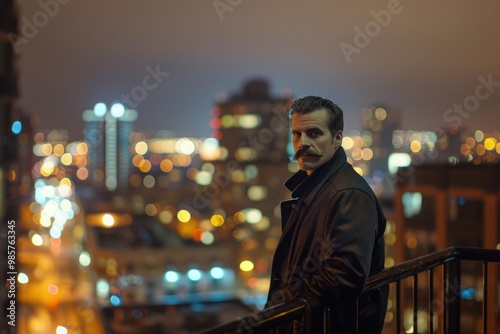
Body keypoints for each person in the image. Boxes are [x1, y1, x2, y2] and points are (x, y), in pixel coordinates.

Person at [266, 96, 388, 333]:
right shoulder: (317, 188)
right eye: (297, 134)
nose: (302, 143)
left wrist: (285, 298)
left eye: (314, 133)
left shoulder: (348, 194)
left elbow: (345, 275)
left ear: (337, 139)